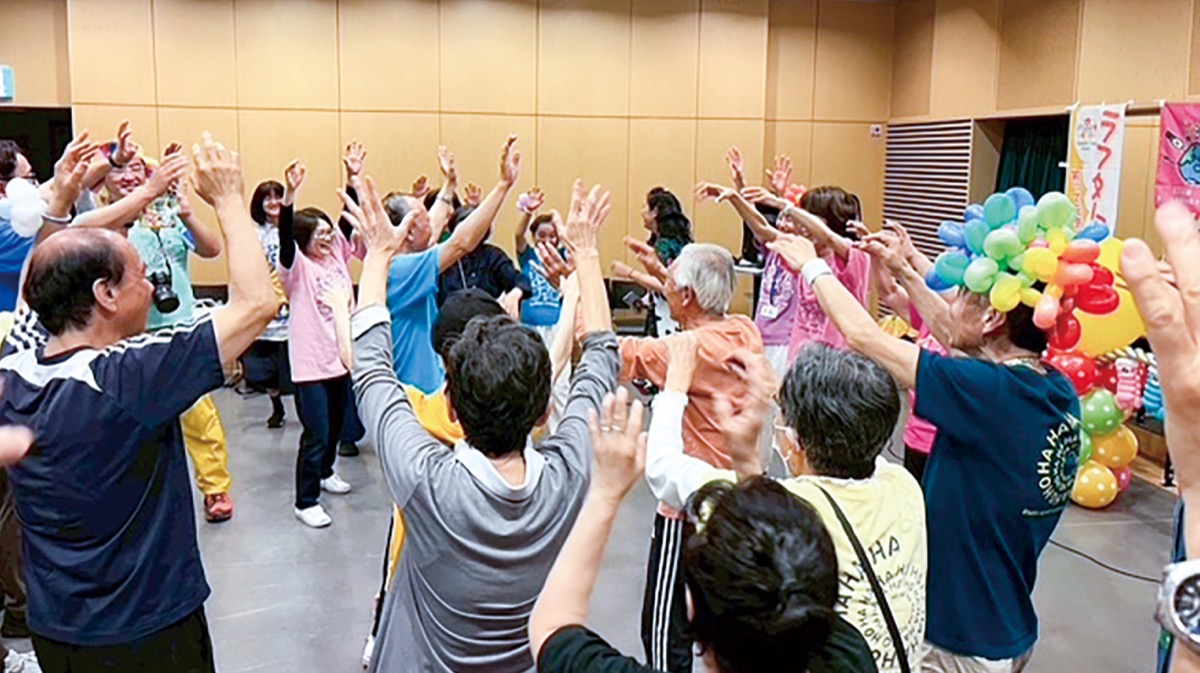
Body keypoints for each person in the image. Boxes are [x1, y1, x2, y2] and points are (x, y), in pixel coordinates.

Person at [0, 133, 277, 672]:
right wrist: (227, 198)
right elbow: (256, 304)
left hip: (56, 630)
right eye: (140, 277)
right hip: (147, 632)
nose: (151, 288)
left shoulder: (15, 367)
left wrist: (59, 204)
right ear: (105, 294)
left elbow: (42, 272)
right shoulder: (129, 378)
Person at [768, 226, 1080, 672]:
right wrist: (906, 269)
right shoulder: (1051, 390)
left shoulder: (990, 393)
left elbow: (865, 337)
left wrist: (812, 267)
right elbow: (956, 337)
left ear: (993, 318)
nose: (952, 305)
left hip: (963, 641)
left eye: (964, 296)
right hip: (1004, 622)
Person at [344, 173, 617, 673]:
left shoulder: (425, 481)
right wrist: (587, 255)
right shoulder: (570, 476)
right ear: (543, 411)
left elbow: (372, 371)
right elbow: (601, 358)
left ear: (450, 405)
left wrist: (379, 256)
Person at [528, 382, 875, 673]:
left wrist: (605, 492)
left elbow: (551, 626)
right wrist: (746, 466)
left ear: (691, 607)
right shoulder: (850, 657)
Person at [645, 336, 926, 673]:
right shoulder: (903, 485)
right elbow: (851, 426)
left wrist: (675, 384)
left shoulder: (787, 518)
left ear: (793, 443)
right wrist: (779, 393)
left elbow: (662, 467)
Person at [618, 242, 763, 673]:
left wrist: (576, 280)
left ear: (687, 295)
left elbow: (606, 348)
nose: (665, 283)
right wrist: (653, 274)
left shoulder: (684, 350)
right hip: (735, 500)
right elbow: (692, 307)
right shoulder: (744, 331)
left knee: (665, 627)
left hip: (683, 511)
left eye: (671, 278)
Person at [76, 140, 237, 524]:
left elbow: (211, 249)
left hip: (180, 325)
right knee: (130, 417)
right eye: (120, 169)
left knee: (200, 414)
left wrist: (187, 213)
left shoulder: (166, 214)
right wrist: (138, 200)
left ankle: (215, 487)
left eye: (137, 169)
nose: (130, 176)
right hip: (130, 333)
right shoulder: (102, 218)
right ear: (104, 179)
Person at [277, 157, 362, 528]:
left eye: (328, 232)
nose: (327, 238)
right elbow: (284, 237)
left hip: (340, 358)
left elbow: (346, 222)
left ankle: (327, 472)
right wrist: (290, 195)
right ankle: (306, 500)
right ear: (303, 240)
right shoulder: (297, 268)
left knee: (337, 426)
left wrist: (353, 177)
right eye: (319, 234)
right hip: (310, 364)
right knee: (316, 433)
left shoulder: (336, 256)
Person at [856, 221, 943, 483]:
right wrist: (876, 255)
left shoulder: (968, 333)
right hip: (916, 436)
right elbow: (889, 291)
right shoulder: (929, 316)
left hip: (946, 442)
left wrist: (908, 262)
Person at [743, 186, 870, 359]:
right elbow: (761, 228)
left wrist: (784, 205)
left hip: (837, 361)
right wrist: (737, 197)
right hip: (800, 358)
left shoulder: (855, 255)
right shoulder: (804, 256)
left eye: (808, 218)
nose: (802, 226)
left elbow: (828, 237)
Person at [243, 177, 291, 428]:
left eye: (277, 196)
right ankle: (276, 403)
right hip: (265, 300)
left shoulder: (293, 226)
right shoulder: (253, 232)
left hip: (293, 299)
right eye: (267, 198)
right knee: (263, 365)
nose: (273, 202)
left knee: (295, 362)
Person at [513, 188, 564, 345]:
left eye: (552, 236)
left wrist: (560, 227)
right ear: (534, 237)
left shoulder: (563, 257)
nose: (547, 240)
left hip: (557, 325)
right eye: (542, 235)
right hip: (529, 325)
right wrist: (528, 212)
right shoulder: (528, 256)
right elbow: (518, 235)